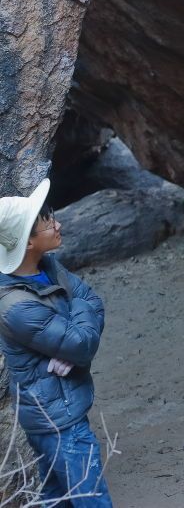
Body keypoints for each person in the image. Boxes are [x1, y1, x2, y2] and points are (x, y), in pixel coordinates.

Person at [0, 178, 113, 507]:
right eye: (48, 223)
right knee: (92, 497)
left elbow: (95, 303)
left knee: (55, 498)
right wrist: (78, 325)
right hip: (57, 419)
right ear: (28, 242)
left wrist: (77, 341)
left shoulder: (45, 265)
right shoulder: (15, 307)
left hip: (57, 409)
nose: (58, 224)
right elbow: (83, 335)